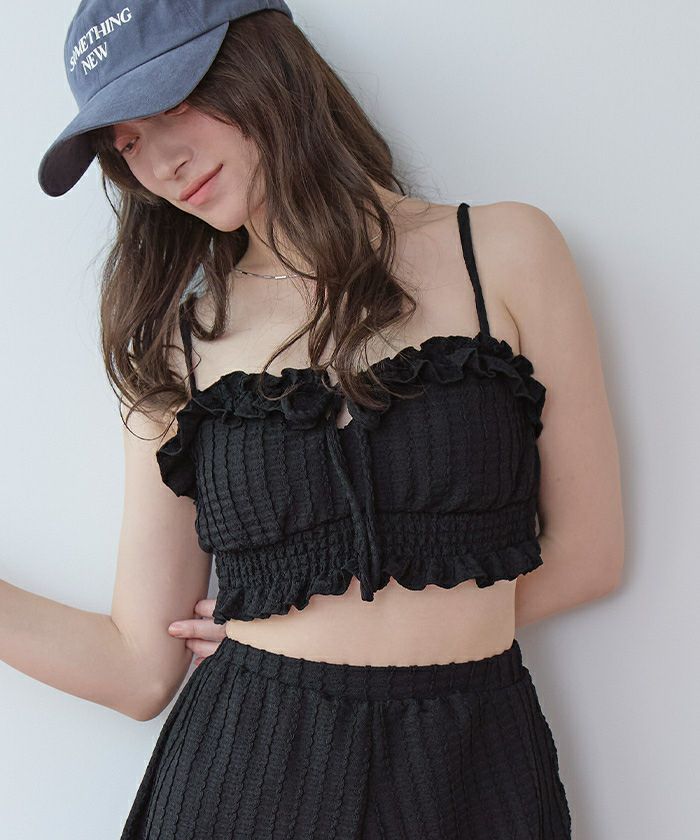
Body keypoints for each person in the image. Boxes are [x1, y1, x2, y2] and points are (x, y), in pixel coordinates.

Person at [2, 0, 624, 836]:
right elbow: (139, 670)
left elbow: (589, 557)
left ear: (262, 60)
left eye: (174, 103)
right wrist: (292, 655)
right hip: (250, 776)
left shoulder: (505, 252)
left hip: (474, 767)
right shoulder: (177, 350)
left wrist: (360, 641)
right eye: (128, 144)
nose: (162, 162)